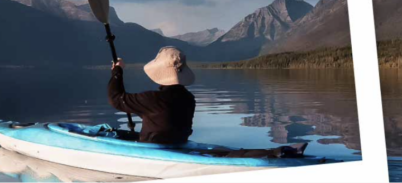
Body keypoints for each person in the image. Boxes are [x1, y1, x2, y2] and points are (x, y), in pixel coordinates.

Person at [107, 46, 308, 158]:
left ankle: (276, 153)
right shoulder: (189, 98)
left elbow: (116, 99)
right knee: (231, 153)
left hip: (155, 150)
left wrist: (118, 71)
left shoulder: (152, 99)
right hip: (180, 145)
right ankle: (276, 152)